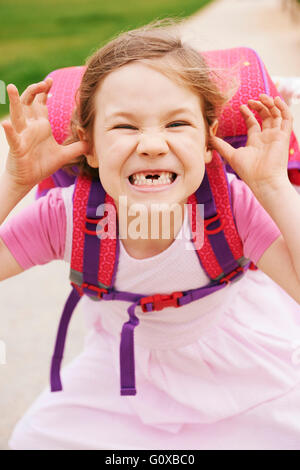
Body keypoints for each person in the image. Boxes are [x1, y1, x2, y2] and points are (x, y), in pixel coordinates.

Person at [1, 19, 300, 450]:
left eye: (177, 124)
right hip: (124, 373)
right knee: (35, 440)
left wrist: (271, 186)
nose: (153, 144)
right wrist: (14, 180)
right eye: (125, 127)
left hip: (243, 363)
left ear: (208, 140)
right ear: (88, 144)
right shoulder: (68, 218)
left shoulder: (231, 206)